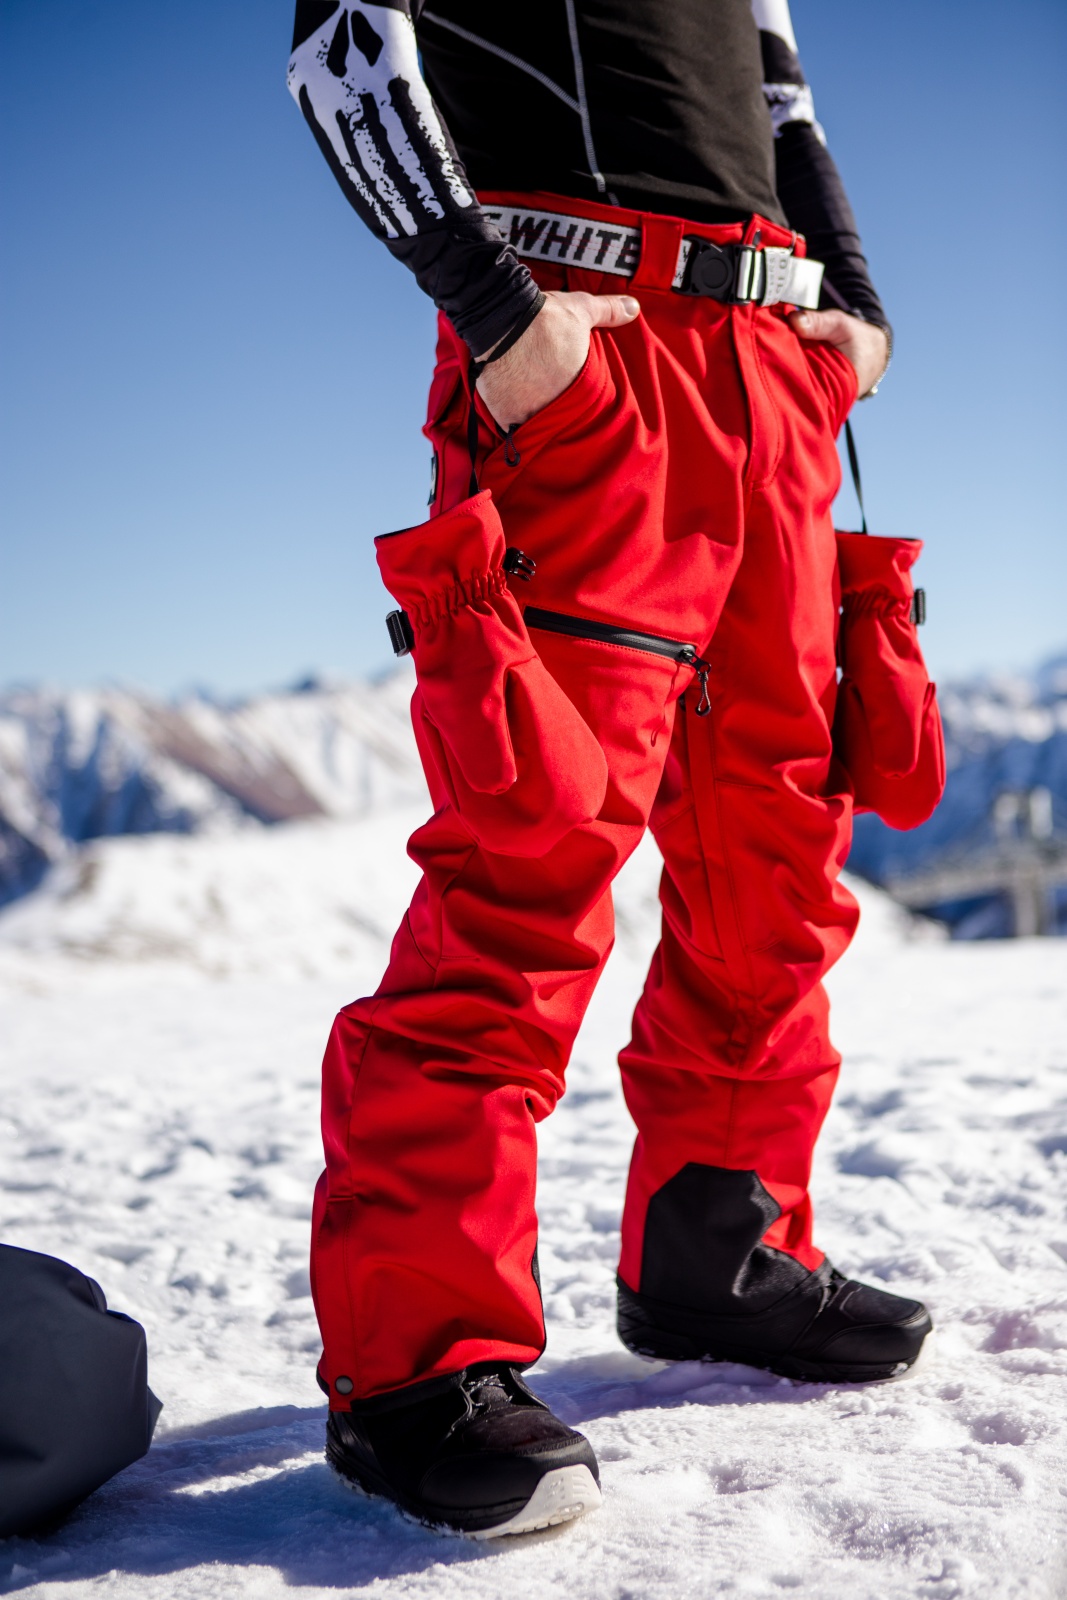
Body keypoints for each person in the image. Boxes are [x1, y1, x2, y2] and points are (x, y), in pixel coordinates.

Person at [287, 0, 932, 1539]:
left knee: (777, 862)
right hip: (588, 351)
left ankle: (721, 1248)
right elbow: (340, 45)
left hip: (776, 375)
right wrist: (490, 303)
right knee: (532, 856)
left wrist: (851, 298)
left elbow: (778, 94)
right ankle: (418, 1367)